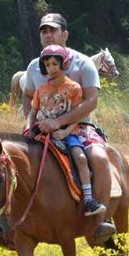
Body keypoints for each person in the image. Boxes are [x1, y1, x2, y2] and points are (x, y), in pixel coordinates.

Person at [19, 13, 116, 243]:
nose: (48, 35)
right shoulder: (35, 66)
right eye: (44, 31)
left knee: (98, 157)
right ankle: (13, 226)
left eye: (53, 30)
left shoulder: (83, 63)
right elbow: (28, 97)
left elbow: (91, 101)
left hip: (80, 127)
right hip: (42, 128)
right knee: (11, 161)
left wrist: (59, 123)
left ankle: (99, 220)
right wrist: (30, 124)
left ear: (65, 34)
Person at [25, 45, 106, 217]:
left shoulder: (74, 88)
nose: (51, 68)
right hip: (42, 133)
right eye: (47, 65)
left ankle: (89, 199)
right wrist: (28, 128)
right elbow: (33, 112)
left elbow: (78, 116)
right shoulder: (41, 90)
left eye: (55, 64)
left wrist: (64, 132)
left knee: (81, 157)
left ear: (64, 64)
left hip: (68, 132)